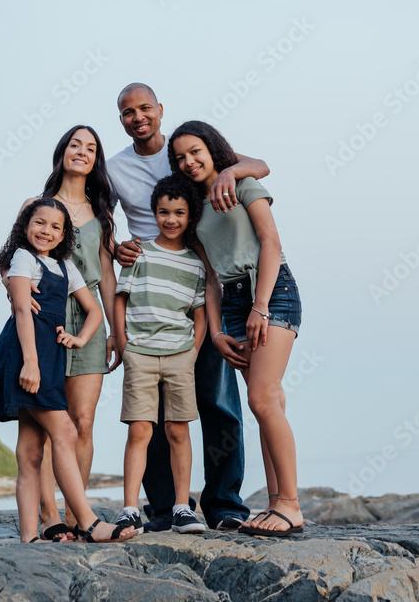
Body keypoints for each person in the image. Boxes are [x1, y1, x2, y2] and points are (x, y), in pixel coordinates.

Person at [107, 83, 269, 531]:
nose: (137, 117)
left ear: (160, 110)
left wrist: (228, 174)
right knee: (154, 415)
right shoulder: (115, 168)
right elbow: (99, 219)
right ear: (120, 119)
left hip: (205, 278)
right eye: (127, 112)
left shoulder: (184, 148)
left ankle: (224, 505)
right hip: (150, 288)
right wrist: (118, 246)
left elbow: (259, 165)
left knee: (218, 402)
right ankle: (166, 507)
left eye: (144, 109)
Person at [169, 121, 303, 537]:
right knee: (267, 403)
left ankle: (291, 506)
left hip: (270, 290)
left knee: (263, 400)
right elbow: (210, 277)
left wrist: (260, 307)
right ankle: (277, 502)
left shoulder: (241, 183)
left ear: (211, 148)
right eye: (179, 158)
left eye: (195, 151)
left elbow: (271, 243)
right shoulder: (197, 207)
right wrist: (214, 332)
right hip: (230, 303)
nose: (189, 161)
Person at [0, 197, 136, 544]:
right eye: (39, 223)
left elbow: (94, 310)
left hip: (50, 356)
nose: (46, 231)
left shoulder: (65, 266)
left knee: (31, 450)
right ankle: (88, 521)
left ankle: (29, 538)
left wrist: (80, 338)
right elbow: (22, 311)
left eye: (56, 227)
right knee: (65, 433)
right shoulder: (23, 258)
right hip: (26, 354)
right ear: (26, 226)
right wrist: (30, 362)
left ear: (65, 234)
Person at [11, 125, 120, 540]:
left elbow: (107, 275)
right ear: (62, 151)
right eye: (75, 144)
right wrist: (11, 286)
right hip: (46, 313)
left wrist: (115, 331)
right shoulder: (36, 205)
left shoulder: (102, 213)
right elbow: (12, 254)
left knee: (83, 421)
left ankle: (79, 516)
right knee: (43, 425)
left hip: (90, 317)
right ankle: (51, 518)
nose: (82, 152)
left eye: (91, 148)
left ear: (96, 160)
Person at [114, 175, 207, 534]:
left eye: (179, 213)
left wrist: (193, 352)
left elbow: (198, 311)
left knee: (178, 431)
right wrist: (124, 344)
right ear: (154, 213)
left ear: (189, 216)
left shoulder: (195, 264)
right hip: (140, 353)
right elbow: (120, 298)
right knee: (139, 431)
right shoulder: (139, 253)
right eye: (164, 212)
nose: (171, 219)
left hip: (179, 354)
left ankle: (183, 508)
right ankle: (129, 509)